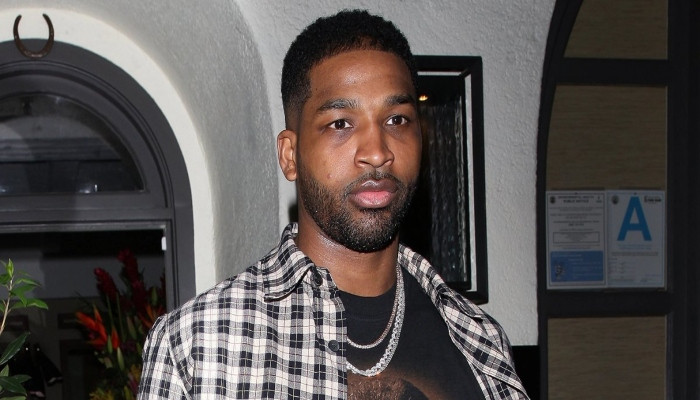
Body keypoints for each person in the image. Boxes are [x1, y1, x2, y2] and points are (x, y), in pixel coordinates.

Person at [138, 9, 528, 400]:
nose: (377, 152)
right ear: (291, 155)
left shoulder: (479, 338)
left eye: (396, 120)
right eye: (341, 123)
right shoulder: (196, 347)